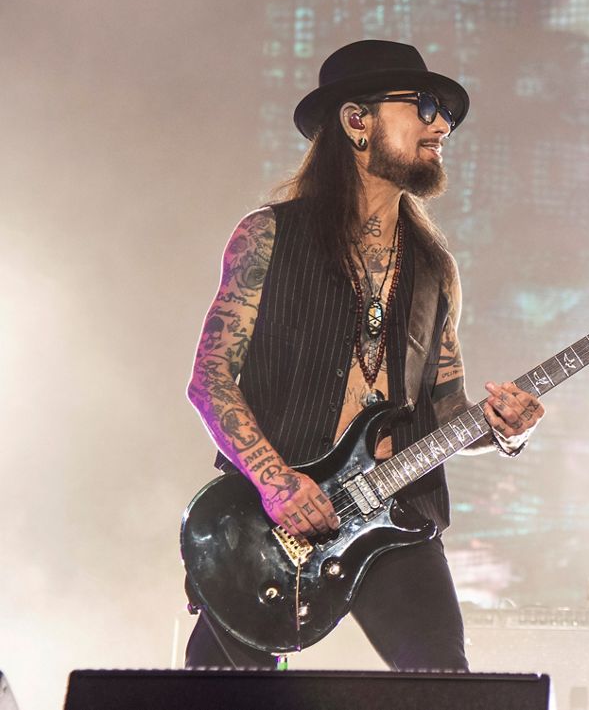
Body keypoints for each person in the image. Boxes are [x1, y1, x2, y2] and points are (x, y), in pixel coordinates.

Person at [183, 39, 546, 669]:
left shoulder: (435, 269)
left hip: (396, 517)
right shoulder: (268, 236)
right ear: (357, 122)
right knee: (216, 693)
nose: (443, 125)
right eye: (425, 107)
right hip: (265, 528)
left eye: (446, 114)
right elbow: (210, 378)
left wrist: (503, 428)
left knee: (445, 687)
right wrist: (276, 483)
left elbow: (445, 409)